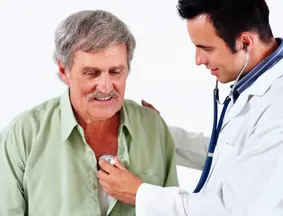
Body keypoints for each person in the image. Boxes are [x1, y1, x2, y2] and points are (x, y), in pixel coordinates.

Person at [97, 0, 283, 215]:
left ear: (246, 43)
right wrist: (158, 133)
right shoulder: (255, 84)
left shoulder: (277, 107)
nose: (198, 60)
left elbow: (234, 210)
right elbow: (227, 153)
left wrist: (139, 194)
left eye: (206, 49)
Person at [0, 10, 179, 216]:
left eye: (115, 72)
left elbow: (171, 210)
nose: (105, 87)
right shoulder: (21, 137)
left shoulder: (153, 128)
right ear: (63, 70)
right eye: (91, 73)